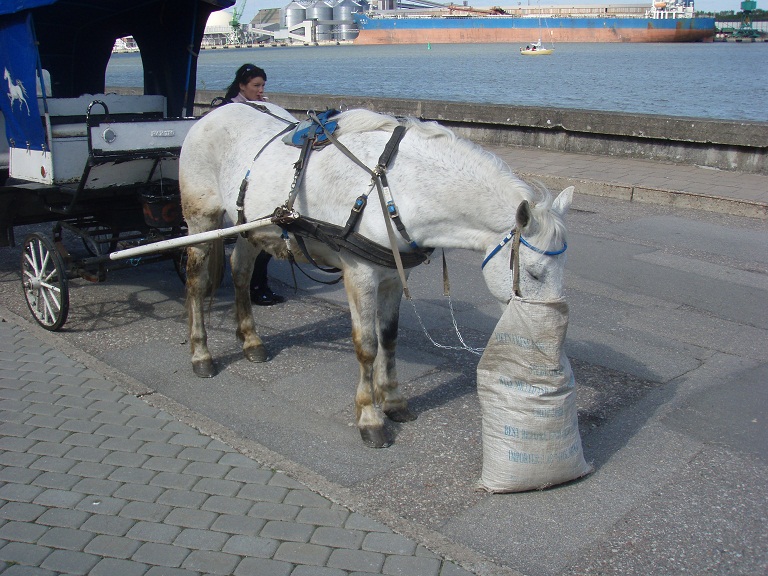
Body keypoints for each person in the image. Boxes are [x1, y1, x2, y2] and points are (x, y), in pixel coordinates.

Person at [217, 64, 284, 306]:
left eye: (263, 85)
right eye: (256, 85)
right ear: (241, 86)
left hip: (254, 173)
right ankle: (257, 287)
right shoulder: (229, 110)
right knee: (257, 240)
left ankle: (259, 285)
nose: (260, 90)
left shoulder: (260, 107)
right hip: (236, 175)